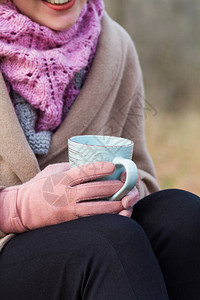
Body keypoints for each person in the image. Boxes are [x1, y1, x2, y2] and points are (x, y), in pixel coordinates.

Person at [0, 0, 199, 299]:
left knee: (183, 216)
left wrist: (123, 191)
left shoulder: (114, 46)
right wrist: (19, 208)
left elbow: (142, 173)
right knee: (109, 242)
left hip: (97, 231)